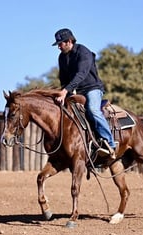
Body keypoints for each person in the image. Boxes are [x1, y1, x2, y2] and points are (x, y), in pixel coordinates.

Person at [52, 28, 116, 160]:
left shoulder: (83, 52)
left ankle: (110, 143)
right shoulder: (62, 58)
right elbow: (63, 79)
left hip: (92, 88)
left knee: (93, 110)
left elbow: (81, 74)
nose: (58, 46)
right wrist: (64, 91)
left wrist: (65, 91)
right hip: (75, 91)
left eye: (60, 43)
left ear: (69, 41)